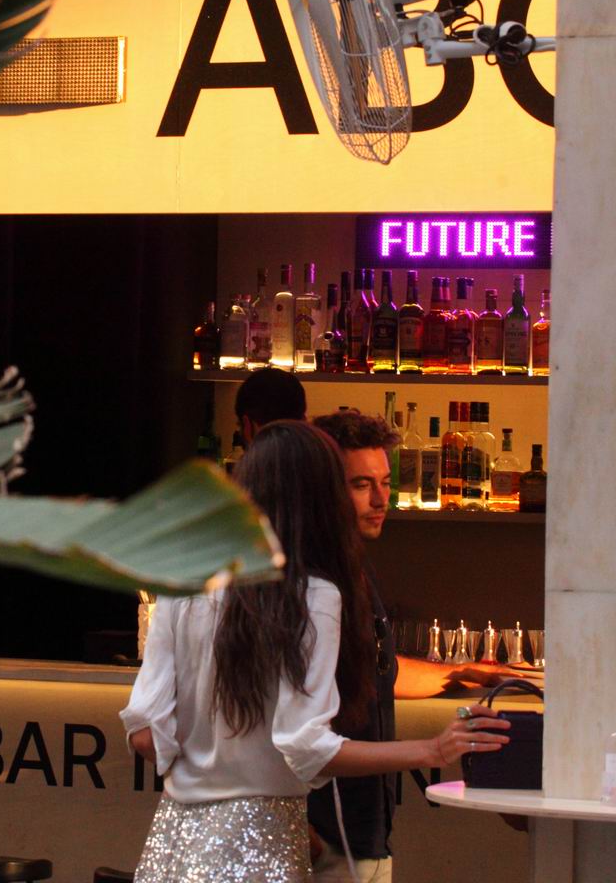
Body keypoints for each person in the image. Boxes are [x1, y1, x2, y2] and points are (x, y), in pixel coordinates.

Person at [121, 421, 510, 882]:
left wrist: (207, 775)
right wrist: (432, 749)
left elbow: (144, 733)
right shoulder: (314, 594)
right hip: (262, 840)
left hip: (176, 842)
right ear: (321, 496)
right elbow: (305, 746)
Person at [306, 409, 543, 881]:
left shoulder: (353, 568)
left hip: (362, 830)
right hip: (324, 835)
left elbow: (377, 671)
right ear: (322, 489)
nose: (380, 499)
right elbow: (289, 736)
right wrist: (434, 749)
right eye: (361, 485)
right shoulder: (312, 583)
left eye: (384, 482)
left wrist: (467, 673)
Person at [233, 366, 305, 447]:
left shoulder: (256, 454)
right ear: (303, 420)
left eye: (239, 425)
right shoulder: (314, 451)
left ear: (247, 426)